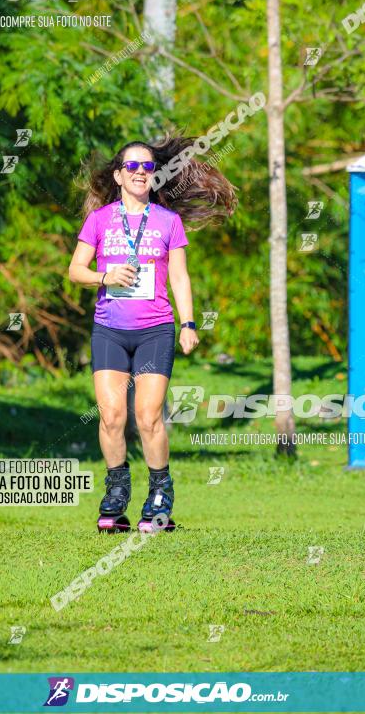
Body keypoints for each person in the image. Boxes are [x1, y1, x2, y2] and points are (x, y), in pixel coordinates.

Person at [69, 135, 236, 532]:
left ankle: (160, 493)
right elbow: (75, 270)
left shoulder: (168, 221)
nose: (142, 173)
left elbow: (179, 275)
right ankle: (116, 492)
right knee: (111, 416)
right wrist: (104, 275)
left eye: (148, 167)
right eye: (133, 167)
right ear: (119, 175)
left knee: (147, 416)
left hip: (155, 330)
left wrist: (189, 323)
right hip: (109, 328)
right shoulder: (99, 220)